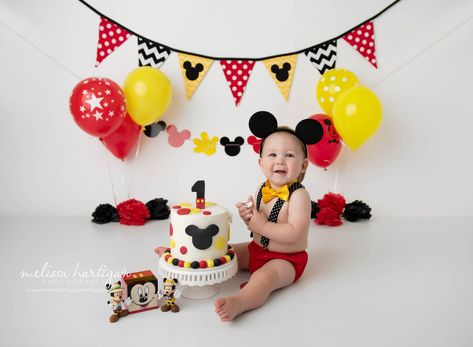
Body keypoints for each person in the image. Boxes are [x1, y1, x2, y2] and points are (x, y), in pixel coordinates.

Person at [213, 111, 323, 321]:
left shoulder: (299, 196)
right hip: (256, 250)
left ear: (303, 165)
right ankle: (188, 259)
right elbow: (256, 225)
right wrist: (248, 216)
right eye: (273, 155)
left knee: (264, 277)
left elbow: (295, 233)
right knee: (225, 251)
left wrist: (262, 226)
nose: (280, 161)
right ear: (261, 163)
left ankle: (241, 302)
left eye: (289, 155)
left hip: (286, 260)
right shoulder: (261, 189)